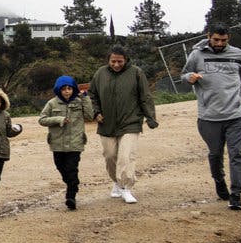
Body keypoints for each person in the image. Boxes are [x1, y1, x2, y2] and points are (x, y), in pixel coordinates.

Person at [181, 25, 241, 210]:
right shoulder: (196, 55)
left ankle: (236, 194)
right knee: (215, 154)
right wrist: (190, 77)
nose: (220, 43)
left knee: (237, 154)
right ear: (209, 36)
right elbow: (183, 75)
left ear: (228, 38)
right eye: (216, 40)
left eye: (224, 40)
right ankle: (219, 180)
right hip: (209, 117)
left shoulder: (238, 55)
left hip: (238, 116)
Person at [88, 45, 158, 204]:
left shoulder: (136, 73)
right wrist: (95, 112)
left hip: (130, 122)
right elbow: (91, 95)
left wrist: (151, 117)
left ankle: (126, 187)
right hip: (106, 123)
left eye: (120, 61)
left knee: (126, 156)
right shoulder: (100, 73)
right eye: (113, 61)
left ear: (126, 60)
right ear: (108, 60)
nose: (116, 64)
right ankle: (117, 182)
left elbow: (145, 96)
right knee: (110, 155)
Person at [38, 75, 94, 211]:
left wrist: (85, 98)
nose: (67, 91)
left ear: (73, 89)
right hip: (57, 144)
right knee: (60, 167)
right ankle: (73, 184)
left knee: (71, 168)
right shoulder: (52, 103)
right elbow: (42, 119)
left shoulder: (80, 102)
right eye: (64, 89)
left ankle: (71, 196)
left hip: (75, 143)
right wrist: (58, 119)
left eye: (69, 88)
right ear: (59, 90)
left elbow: (89, 116)